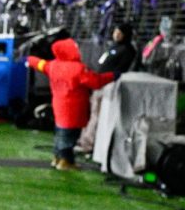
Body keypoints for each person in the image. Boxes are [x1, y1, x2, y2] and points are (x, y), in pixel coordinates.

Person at [27, 38, 114, 171]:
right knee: (69, 137)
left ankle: (57, 158)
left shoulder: (53, 65)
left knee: (60, 133)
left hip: (59, 106)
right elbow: (96, 82)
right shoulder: (79, 69)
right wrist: (112, 76)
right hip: (74, 108)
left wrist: (29, 59)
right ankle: (66, 161)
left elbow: (40, 64)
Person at [76, 22, 137, 153]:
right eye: (115, 32)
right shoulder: (113, 47)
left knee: (98, 115)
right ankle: (84, 140)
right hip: (98, 84)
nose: (116, 35)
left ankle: (88, 144)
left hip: (108, 86)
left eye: (119, 33)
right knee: (92, 113)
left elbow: (121, 69)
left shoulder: (128, 50)